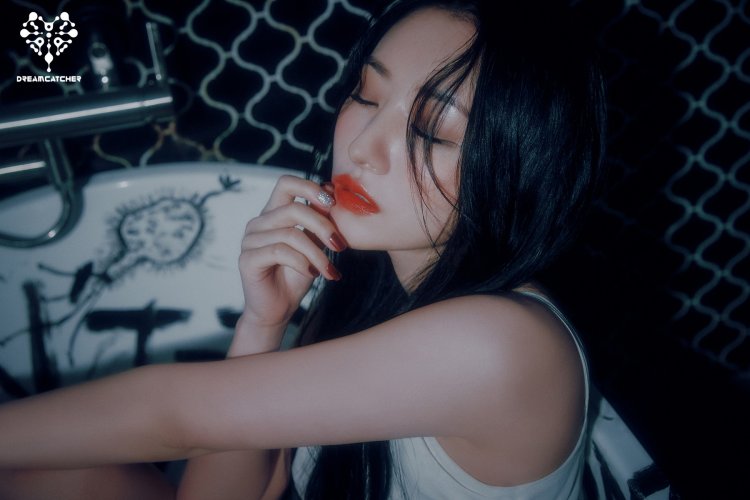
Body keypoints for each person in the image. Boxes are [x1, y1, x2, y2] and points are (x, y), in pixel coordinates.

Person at [0, 0, 606, 498]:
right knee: (47, 477)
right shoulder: (374, 289)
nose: (363, 148)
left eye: (430, 131)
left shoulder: (501, 345)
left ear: (518, 168)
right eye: (366, 95)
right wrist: (263, 324)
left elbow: (174, 417)